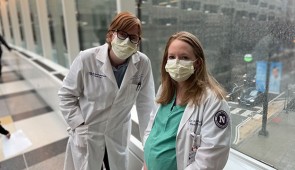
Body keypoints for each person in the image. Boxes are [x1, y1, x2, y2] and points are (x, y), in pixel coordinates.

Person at [58, 11, 155, 170]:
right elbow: (66, 96)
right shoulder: (87, 58)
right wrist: (79, 125)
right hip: (87, 134)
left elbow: (147, 107)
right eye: (123, 34)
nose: (127, 41)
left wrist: (149, 146)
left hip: (117, 137)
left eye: (133, 37)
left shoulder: (142, 64)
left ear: (138, 42)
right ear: (111, 35)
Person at [143, 31, 231, 170]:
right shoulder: (164, 90)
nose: (176, 62)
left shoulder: (213, 102)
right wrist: (147, 161)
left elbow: (211, 160)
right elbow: (151, 130)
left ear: (197, 63)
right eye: (171, 57)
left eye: (184, 57)